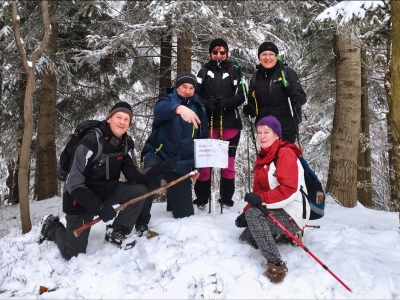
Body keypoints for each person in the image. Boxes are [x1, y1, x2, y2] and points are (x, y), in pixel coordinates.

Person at [40, 102, 177, 259]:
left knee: (139, 190)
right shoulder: (90, 142)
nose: (122, 122)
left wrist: (160, 168)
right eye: (118, 117)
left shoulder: (125, 143)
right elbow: (74, 184)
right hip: (79, 200)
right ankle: (52, 226)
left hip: (107, 192)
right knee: (73, 254)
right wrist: (100, 208)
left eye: (126, 119)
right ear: (109, 118)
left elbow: (133, 174)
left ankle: (117, 231)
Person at [235, 115, 310, 283]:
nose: (262, 136)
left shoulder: (285, 153)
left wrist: (254, 209)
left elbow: (288, 190)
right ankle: (283, 235)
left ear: (277, 134)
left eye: (266, 132)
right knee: (245, 239)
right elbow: (258, 193)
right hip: (275, 208)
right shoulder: (263, 158)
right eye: (259, 132)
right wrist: (245, 212)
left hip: (293, 211)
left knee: (255, 216)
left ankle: (276, 264)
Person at [137, 72, 208, 229]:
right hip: (158, 156)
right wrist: (179, 108)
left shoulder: (199, 108)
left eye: (191, 88)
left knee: (185, 215)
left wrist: (198, 166)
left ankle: (174, 203)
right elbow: (159, 110)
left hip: (181, 163)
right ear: (177, 87)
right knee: (149, 179)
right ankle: (140, 220)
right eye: (184, 87)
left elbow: (202, 139)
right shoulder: (167, 100)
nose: (188, 91)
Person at [193, 38, 245, 208]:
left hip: (229, 124)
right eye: (215, 52)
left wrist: (227, 102)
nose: (219, 55)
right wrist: (205, 103)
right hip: (208, 124)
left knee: (227, 164)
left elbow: (241, 95)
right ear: (210, 53)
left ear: (226, 53)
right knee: (205, 164)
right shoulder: (203, 71)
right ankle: (202, 199)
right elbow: (195, 94)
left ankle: (226, 199)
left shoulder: (234, 71)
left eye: (222, 52)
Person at [242, 42, 306, 143]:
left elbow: (302, 99)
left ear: (276, 56)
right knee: (268, 159)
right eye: (264, 54)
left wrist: (292, 93)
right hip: (264, 130)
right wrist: (250, 110)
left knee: (283, 157)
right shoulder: (255, 77)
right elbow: (253, 103)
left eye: (271, 54)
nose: (267, 57)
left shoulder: (287, 73)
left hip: (285, 129)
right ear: (259, 57)